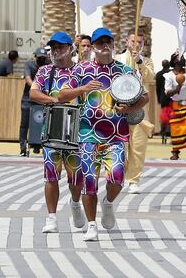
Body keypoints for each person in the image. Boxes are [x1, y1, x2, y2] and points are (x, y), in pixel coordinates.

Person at [58, 28, 148, 242]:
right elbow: (62, 95)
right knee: (89, 181)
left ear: (113, 44)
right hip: (88, 134)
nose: (104, 46)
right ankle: (91, 225)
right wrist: (83, 89)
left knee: (117, 178)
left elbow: (143, 97)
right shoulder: (81, 70)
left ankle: (107, 203)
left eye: (108, 41)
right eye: (99, 42)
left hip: (116, 135)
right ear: (94, 46)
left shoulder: (125, 70)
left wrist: (128, 109)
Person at [28, 32, 85, 233]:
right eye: (53, 47)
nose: (56, 51)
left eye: (61, 47)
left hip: (76, 130)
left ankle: (76, 203)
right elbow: (33, 93)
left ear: (70, 48)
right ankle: (51, 218)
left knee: (76, 176)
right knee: (51, 175)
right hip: (52, 130)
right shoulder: (45, 71)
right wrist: (54, 100)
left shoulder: (81, 71)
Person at [116, 31, 156, 195]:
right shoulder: (117, 59)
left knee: (138, 147)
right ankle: (120, 175)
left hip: (140, 109)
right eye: (133, 41)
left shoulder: (147, 61)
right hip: (119, 108)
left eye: (139, 42)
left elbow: (150, 78)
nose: (136, 45)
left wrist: (139, 61)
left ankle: (133, 180)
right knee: (120, 146)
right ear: (127, 41)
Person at [20, 47, 49, 156]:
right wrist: (36, 88)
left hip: (42, 98)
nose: (41, 60)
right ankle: (23, 147)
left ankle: (39, 145)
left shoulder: (48, 66)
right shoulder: (29, 64)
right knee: (24, 123)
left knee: (42, 122)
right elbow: (28, 79)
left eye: (43, 58)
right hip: (28, 97)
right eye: (39, 58)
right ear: (35, 57)